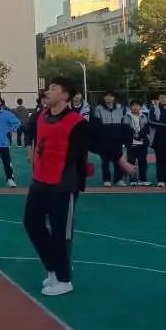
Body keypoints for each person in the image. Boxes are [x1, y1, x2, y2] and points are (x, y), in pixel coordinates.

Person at [23, 78, 111, 297]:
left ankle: (64, 280)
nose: (48, 91)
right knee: (31, 223)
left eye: (53, 88)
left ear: (65, 95)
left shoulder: (76, 122)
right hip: (39, 180)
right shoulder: (41, 115)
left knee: (60, 232)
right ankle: (53, 269)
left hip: (63, 183)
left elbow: (99, 144)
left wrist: (121, 161)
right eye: (48, 88)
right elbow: (31, 134)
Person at [92, 91, 126, 187]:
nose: (108, 98)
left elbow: (124, 123)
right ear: (104, 98)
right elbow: (96, 124)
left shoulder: (120, 108)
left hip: (117, 138)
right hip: (104, 138)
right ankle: (106, 179)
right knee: (105, 160)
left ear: (114, 98)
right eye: (106, 96)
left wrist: (123, 137)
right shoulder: (98, 109)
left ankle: (118, 179)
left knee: (118, 159)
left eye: (111, 96)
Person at [123, 100, 151, 185]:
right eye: (133, 105)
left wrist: (140, 135)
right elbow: (125, 129)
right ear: (130, 107)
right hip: (131, 142)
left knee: (143, 161)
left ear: (140, 107)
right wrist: (133, 135)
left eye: (137, 105)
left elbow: (146, 129)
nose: (135, 107)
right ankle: (133, 180)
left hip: (142, 142)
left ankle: (143, 179)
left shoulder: (144, 117)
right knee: (131, 161)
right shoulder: (126, 117)